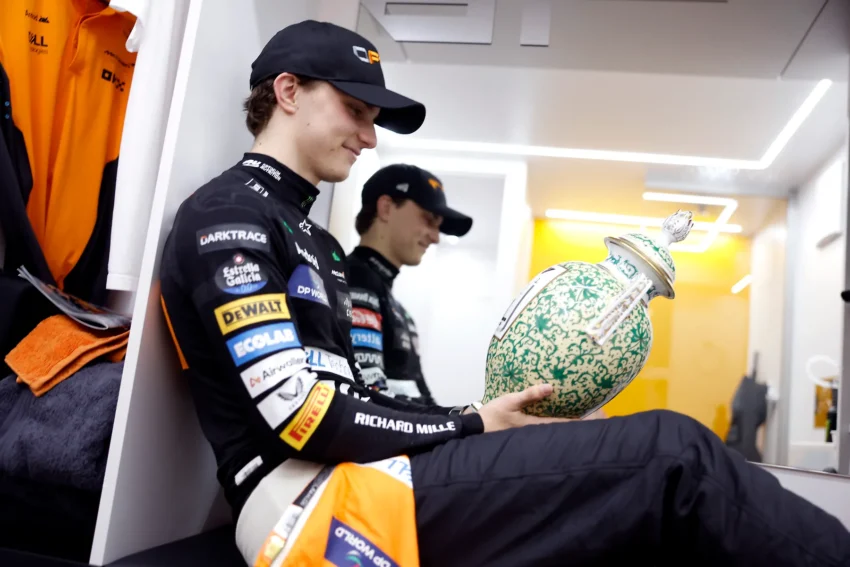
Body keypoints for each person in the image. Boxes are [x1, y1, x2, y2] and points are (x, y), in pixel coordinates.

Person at [158, 19, 850, 567]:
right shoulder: (225, 215)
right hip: (303, 504)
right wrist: (472, 424)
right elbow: (301, 417)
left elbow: (358, 397)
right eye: (355, 110)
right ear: (287, 92)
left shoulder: (316, 240)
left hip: (354, 472)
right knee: (671, 453)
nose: (369, 136)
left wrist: (483, 417)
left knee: (634, 490)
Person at [345, 164, 472, 405]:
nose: (435, 237)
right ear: (386, 207)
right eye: (429, 219)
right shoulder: (354, 280)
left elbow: (423, 400)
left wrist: (467, 419)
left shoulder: (399, 311)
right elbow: (369, 398)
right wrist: (465, 421)